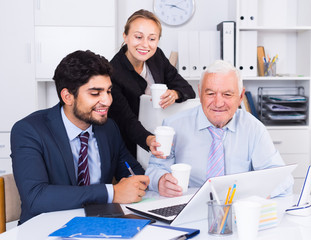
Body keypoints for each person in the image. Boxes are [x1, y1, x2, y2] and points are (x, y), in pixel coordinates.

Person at [10, 50, 149, 224]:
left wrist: (156, 180)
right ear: (67, 96)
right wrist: (111, 192)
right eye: (95, 93)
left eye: (108, 91)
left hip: (99, 226)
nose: (107, 101)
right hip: (46, 229)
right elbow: (36, 197)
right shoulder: (29, 130)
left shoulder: (108, 128)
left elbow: (131, 170)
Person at [146, 60, 293, 198]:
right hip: (186, 203)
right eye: (210, 93)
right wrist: (160, 181)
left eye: (227, 94)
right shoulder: (173, 126)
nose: (218, 103)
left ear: (241, 96)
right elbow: (154, 169)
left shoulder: (253, 128)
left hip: (236, 206)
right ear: (200, 93)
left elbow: (283, 179)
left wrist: (257, 193)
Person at [109, 9, 196, 159]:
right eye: (138, 37)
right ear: (126, 37)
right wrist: (150, 140)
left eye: (152, 39)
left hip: (161, 133)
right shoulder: (113, 72)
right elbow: (126, 121)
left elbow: (188, 89)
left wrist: (176, 94)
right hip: (132, 145)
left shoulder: (157, 57)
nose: (145, 45)